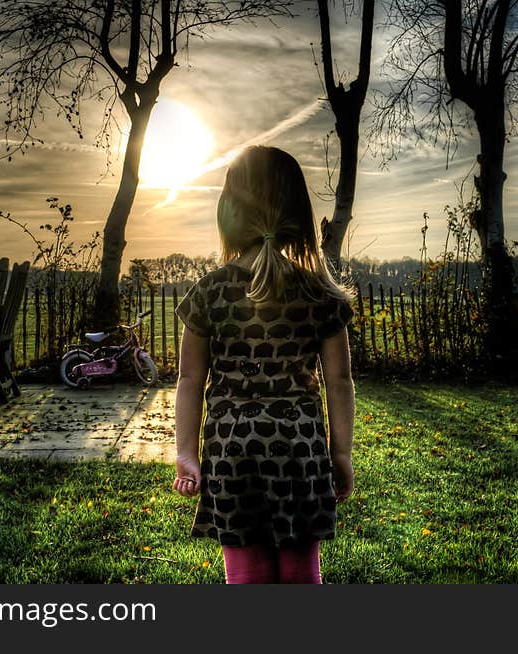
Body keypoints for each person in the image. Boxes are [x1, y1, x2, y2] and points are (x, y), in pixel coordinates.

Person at [172, 145, 356, 584]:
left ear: (229, 211)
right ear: (298, 211)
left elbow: (189, 379)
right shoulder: (320, 294)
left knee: (247, 575)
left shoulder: (209, 291)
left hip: (232, 450)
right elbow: (340, 381)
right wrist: (342, 453)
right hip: (300, 450)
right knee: (299, 574)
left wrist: (185, 452)